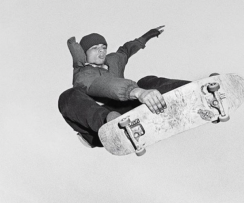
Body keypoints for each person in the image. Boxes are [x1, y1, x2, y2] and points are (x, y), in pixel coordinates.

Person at [58, 26, 190, 148]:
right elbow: (102, 84)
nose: (101, 51)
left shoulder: (113, 60)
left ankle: (196, 91)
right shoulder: (82, 74)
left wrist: (148, 35)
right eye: (95, 48)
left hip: (125, 112)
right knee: (67, 97)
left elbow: (126, 49)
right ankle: (112, 125)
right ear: (84, 53)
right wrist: (135, 92)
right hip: (96, 128)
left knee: (147, 81)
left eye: (103, 47)